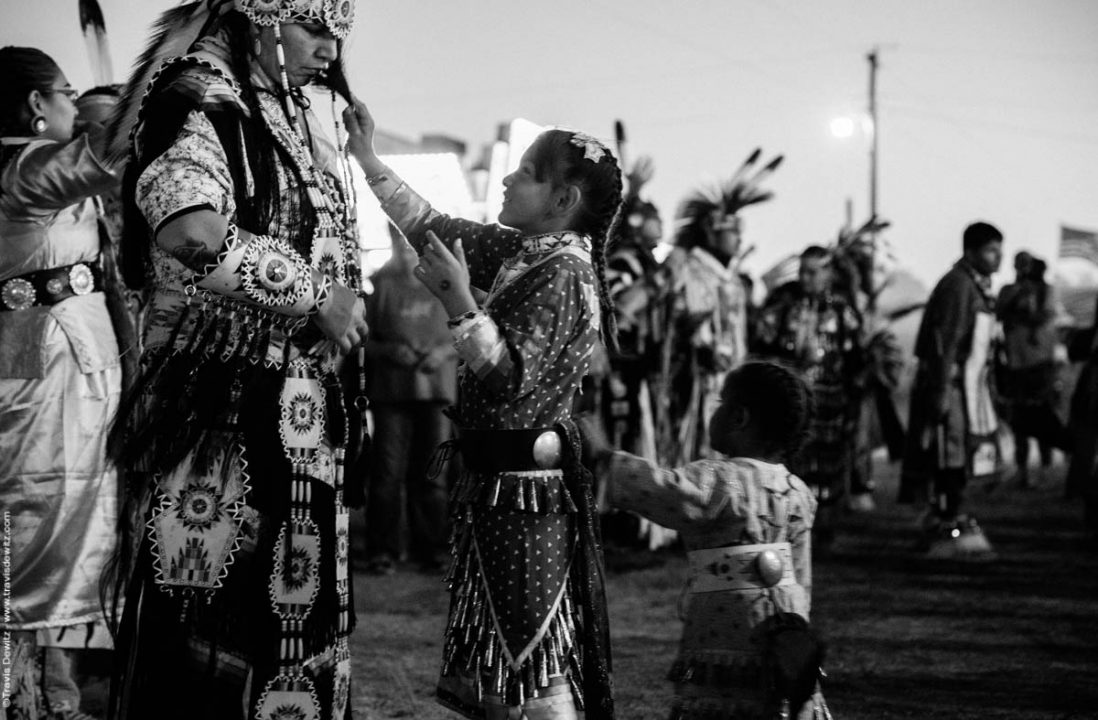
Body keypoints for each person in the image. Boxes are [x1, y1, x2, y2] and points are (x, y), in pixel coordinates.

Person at [105, 1, 367, 718]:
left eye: (338, 30)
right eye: (315, 26)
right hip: (221, 415)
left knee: (288, 622)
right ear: (261, 18)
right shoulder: (198, 96)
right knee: (213, 619)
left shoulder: (274, 106)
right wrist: (315, 295)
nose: (330, 47)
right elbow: (191, 230)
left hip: (292, 413)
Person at [345, 101, 621, 719]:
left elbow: (509, 381)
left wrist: (459, 302)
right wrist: (367, 159)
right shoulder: (526, 253)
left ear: (562, 199)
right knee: (502, 647)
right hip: (498, 486)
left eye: (525, 171)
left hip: (526, 495)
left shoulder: (563, 273)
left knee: (528, 646)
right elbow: (431, 226)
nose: (507, 179)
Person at [585, 361, 830, 719]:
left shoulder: (722, 481)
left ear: (739, 418)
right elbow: (800, 577)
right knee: (775, 700)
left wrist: (604, 458)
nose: (713, 413)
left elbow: (664, 491)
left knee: (723, 700)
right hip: (786, 628)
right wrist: (797, 628)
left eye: (719, 404)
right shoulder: (798, 492)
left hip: (728, 623)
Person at [0, 45, 124, 720]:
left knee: (44, 520)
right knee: (43, 525)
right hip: (49, 364)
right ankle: (40, 700)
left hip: (41, 356)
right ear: (35, 106)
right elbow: (113, 154)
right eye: (66, 95)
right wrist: (133, 100)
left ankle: (46, 693)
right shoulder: (26, 167)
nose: (74, 108)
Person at [659, 150, 781, 466]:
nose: (740, 238)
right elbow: (672, 326)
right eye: (733, 232)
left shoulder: (735, 280)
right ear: (712, 232)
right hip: (695, 383)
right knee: (695, 449)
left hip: (732, 381)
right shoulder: (687, 271)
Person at [900, 221, 1004, 558]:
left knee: (959, 456)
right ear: (970, 252)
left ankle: (949, 518)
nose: (997, 256)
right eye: (990, 250)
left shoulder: (975, 287)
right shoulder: (959, 286)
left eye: (998, 248)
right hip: (952, 387)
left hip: (969, 389)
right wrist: (941, 392)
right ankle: (946, 523)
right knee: (948, 456)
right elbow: (945, 343)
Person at [754, 245, 865, 549]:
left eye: (812, 271)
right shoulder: (784, 307)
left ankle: (823, 527)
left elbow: (857, 359)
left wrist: (855, 397)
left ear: (828, 274)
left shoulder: (843, 311)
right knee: (792, 463)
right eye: (802, 270)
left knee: (828, 464)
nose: (805, 277)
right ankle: (788, 526)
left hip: (830, 402)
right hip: (792, 402)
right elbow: (762, 340)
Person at [363, 228, 457, 574]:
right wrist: (390, 350)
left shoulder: (445, 283)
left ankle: (430, 548)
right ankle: (383, 549)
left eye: (410, 245)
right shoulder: (382, 284)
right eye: (399, 245)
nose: (405, 252)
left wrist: (442, 351)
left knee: (433, 474)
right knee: (387, 473)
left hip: (436, 392)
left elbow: (468, 331)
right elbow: (364, 339)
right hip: (391, 393)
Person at [997, 253, 1070, 487]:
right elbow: (998, 311)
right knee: (1019, 418)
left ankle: (1045, 468)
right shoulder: (1010, 289)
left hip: (1040, 363)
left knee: (1042, 416)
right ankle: (1021, 469)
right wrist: (1018, 293)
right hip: (1015, 362)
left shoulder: (1046, 291)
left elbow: (1045, 315)